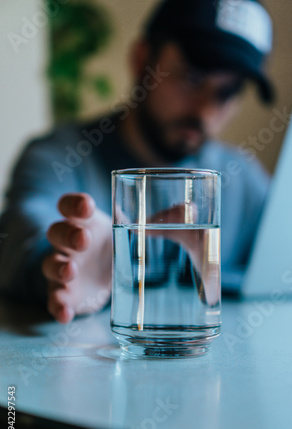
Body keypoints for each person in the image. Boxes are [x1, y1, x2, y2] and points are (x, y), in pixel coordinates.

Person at [0, 0, 274, 323]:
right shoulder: (59, 157)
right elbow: (21, 234)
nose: (204, 110)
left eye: (226, 93)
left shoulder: (244, 178)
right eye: (191, 78)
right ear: (142, 59)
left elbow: (291, 265)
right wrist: (64, 264)